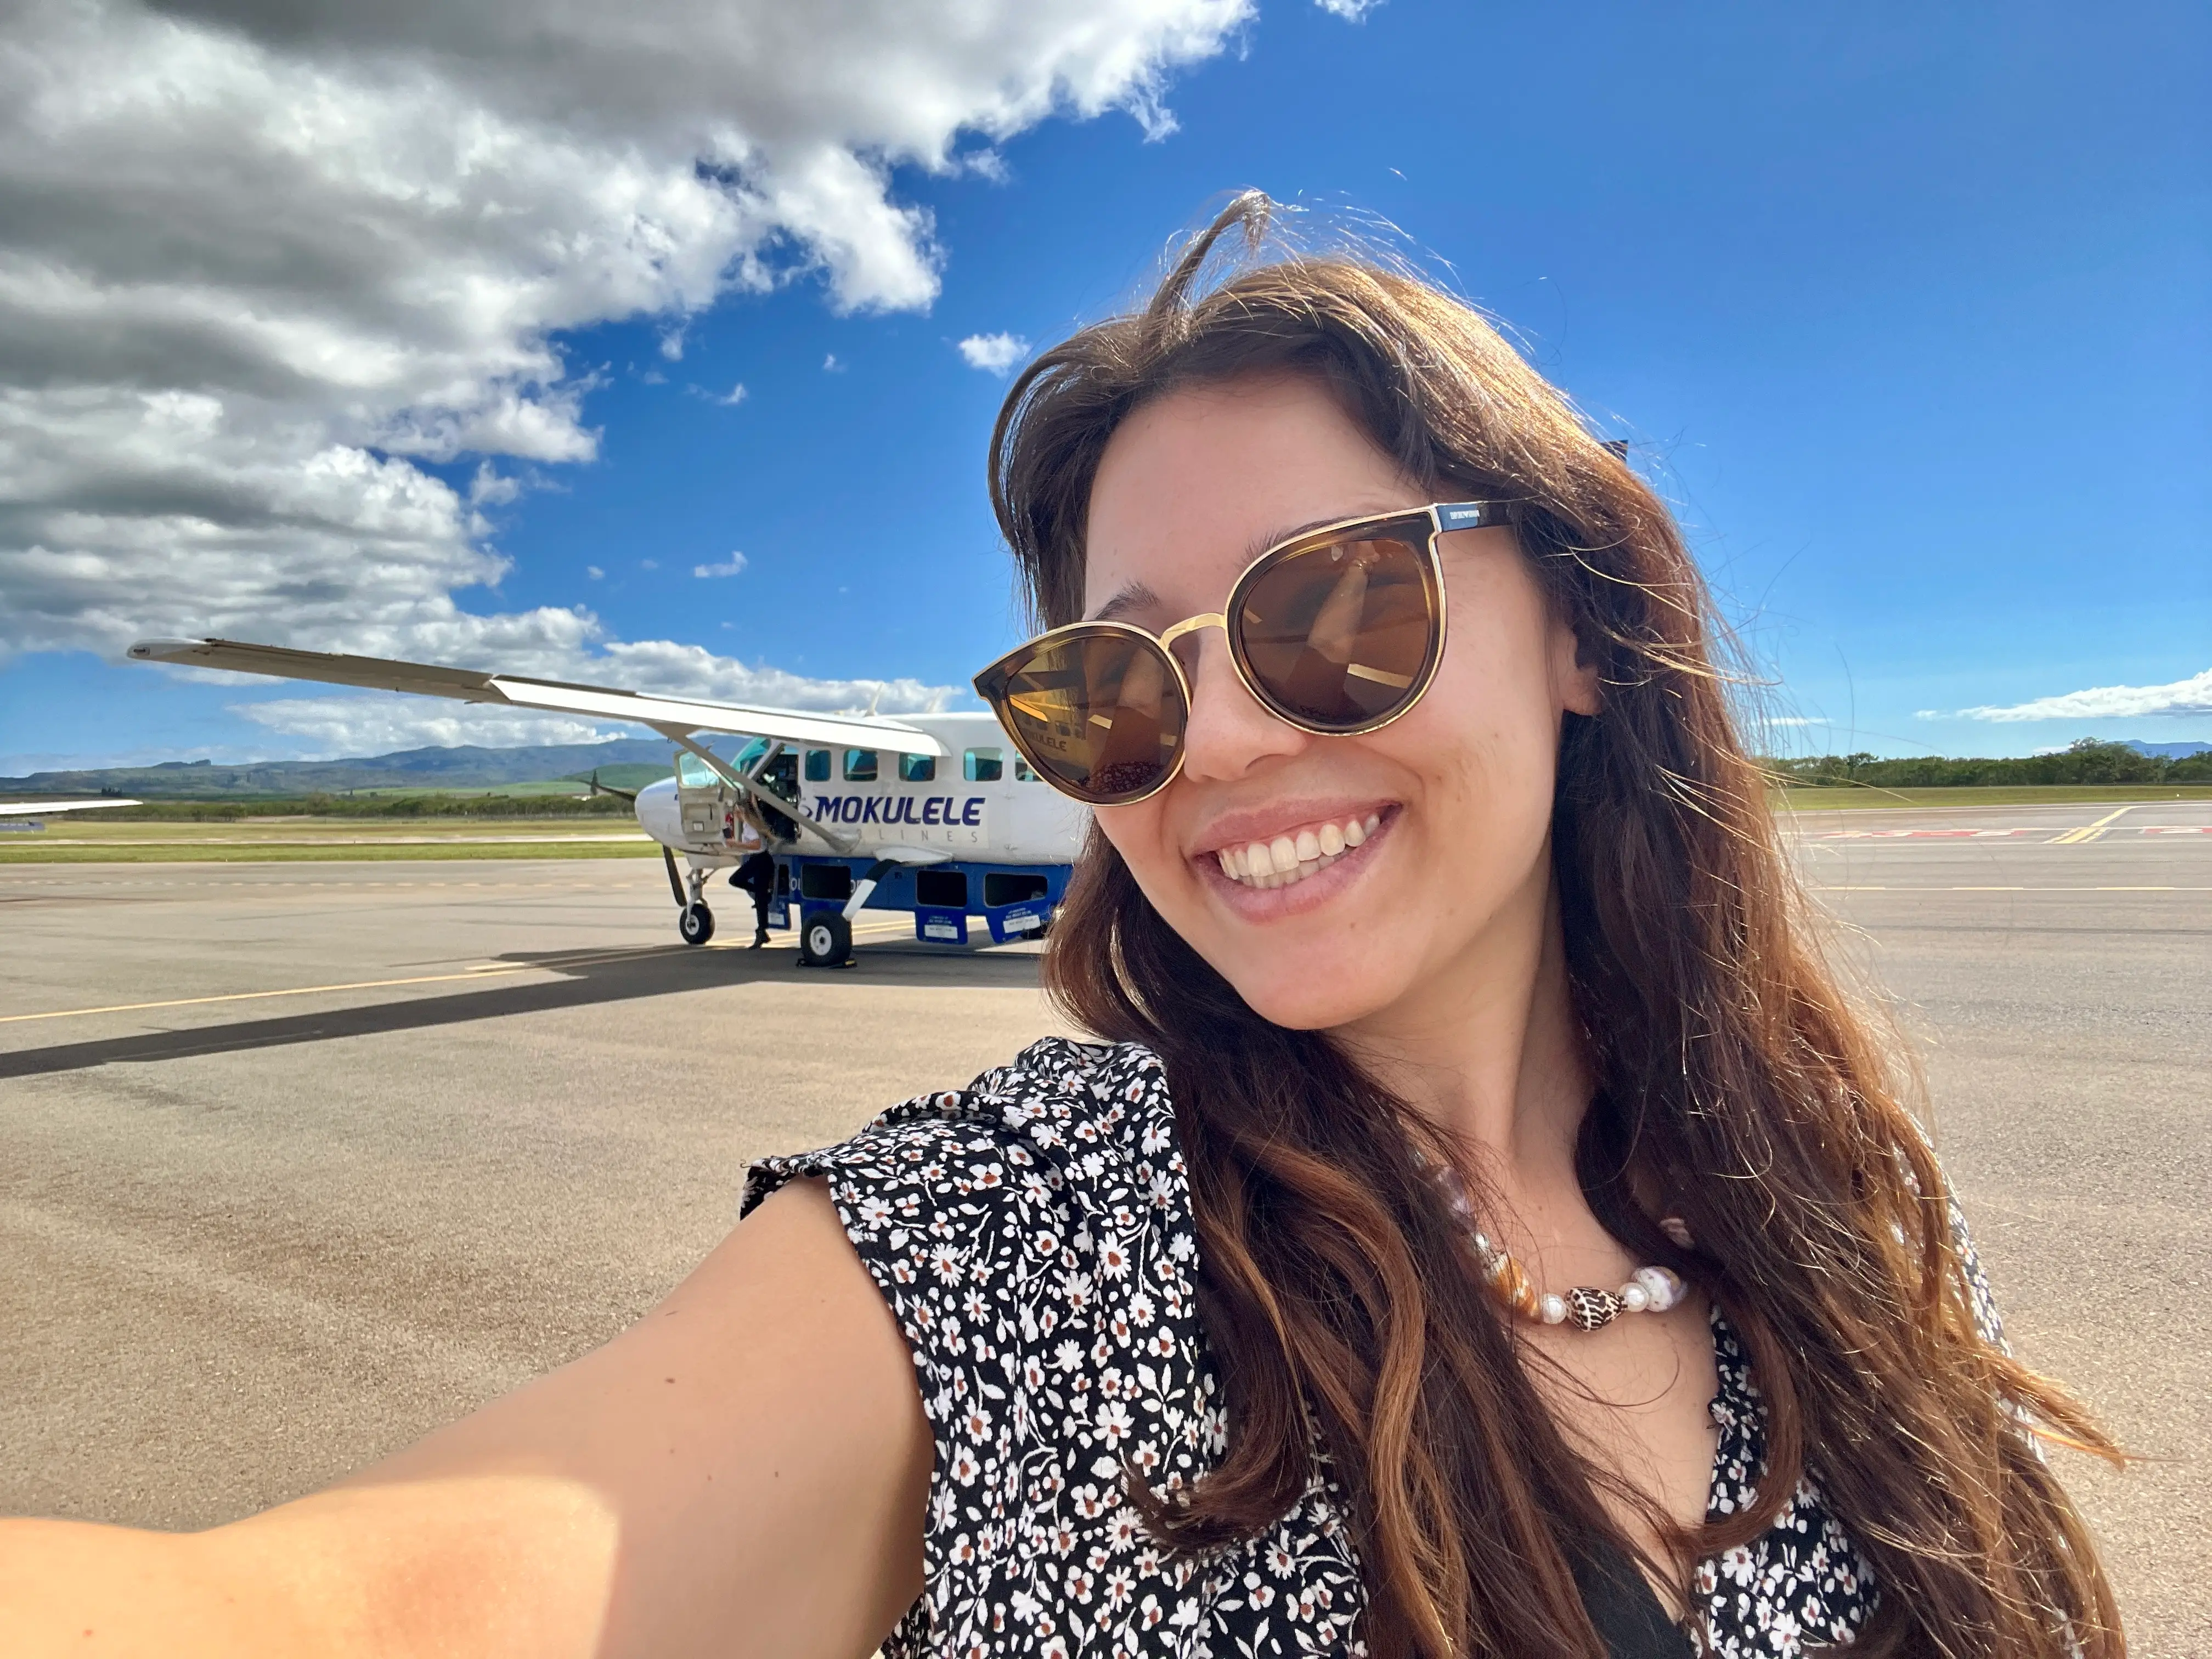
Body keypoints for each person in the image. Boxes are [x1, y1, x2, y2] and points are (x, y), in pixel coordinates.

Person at [0, 194, 2123, 1658]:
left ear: (1576, 614)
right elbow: (378, 1600)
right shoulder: (1008, 1236)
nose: (1205, 740)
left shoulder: (1850, 1224)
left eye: (1334, 605)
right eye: (1100, 684)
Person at [731, 847, 776, 946]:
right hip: (756, 858)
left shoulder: (754, 831)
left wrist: (736, 844)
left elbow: (758, 844)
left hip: (761, 859)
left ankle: (762, 933)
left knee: (735, 880)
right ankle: (762, 933)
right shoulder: (750, 831)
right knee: (759, 895)